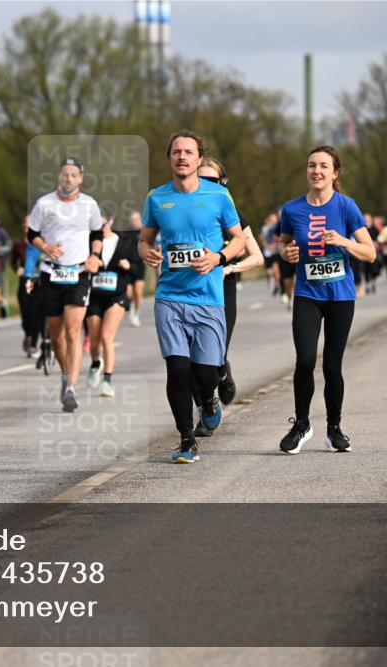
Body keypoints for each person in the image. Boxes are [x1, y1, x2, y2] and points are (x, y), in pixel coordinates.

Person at [138, 130, 246, 463]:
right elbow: (144, 240)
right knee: (178, 369)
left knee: (205, 375)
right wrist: (147, 253)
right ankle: (186, 439)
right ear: (169, 158)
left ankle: (209, 402)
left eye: (188, 152)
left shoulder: (219, 196)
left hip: (208, 298)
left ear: (199, 158)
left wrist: (218, 258)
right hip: (169, 296)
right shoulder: (157, 197)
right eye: (176, 152)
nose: (182, 157)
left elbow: (239, 240)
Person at [276, 146, 376, 455]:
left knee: (332, 365)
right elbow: (282, 244)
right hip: (307, 295)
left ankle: (334, 429)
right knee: (305, 360)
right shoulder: (292, 209)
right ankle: (301, 425)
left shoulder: (346, 207)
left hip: (340, 297)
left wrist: (343, 241)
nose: (316, 171)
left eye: (323, 166)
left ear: (334, 173)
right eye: (311, 165)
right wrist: (286, 253)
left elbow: (370, 252)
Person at [28, 157, 103, 413]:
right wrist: (46, 247)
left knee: (73, 331)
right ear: (59, 177)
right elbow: (31, 233)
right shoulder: (45, 203)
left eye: (73, 174)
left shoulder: (89, 204)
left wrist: (95, 256)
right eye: (65, 174)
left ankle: (71, 387)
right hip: (51, 273)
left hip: (79, 273)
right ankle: (64, 373)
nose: (68, 178)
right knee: (57, 336)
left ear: (80, 178)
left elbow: (97, 233)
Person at [196, 156, 264, 410]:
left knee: (214, 355)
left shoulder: (232, 214)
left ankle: (222, 370)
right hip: (190, 288)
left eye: (213, 181)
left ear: (222, 183)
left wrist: (228, 268)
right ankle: (206, 412)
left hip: (223, 287)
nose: (206, 185)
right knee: (191, 360)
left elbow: (257, 257)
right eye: (200, 180)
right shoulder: (182, 212)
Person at [84, 212, 136, 398]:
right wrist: (90, 262)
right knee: (94, 340)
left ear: (111, 221)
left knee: (106, 337)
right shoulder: (90, 241)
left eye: (104, 224)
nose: (101, 228)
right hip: (94, 296)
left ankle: (107, 381)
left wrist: (128, 266)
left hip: (116, 294)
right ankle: (95, 363)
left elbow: (137, 268)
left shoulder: (125, 241)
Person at [11, 215, 44, 356]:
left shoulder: (43, 243)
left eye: (30, 223)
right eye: (25, 223)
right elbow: (13, 261)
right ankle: (28, 334)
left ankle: (33, 343)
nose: (27, 225)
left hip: (40, 283)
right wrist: (17, 268)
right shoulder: (18, 244)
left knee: (36, 313)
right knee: (25, 314)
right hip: (25, 283)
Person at [121, 210, 147, 327]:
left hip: (139, 265)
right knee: (129, 293)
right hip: (127, 266)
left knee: (138, 291)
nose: (134, 221)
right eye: (132, 219)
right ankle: (131, 309)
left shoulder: (145, 231)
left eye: (136, 219)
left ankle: (137, 314)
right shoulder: (126, 233)